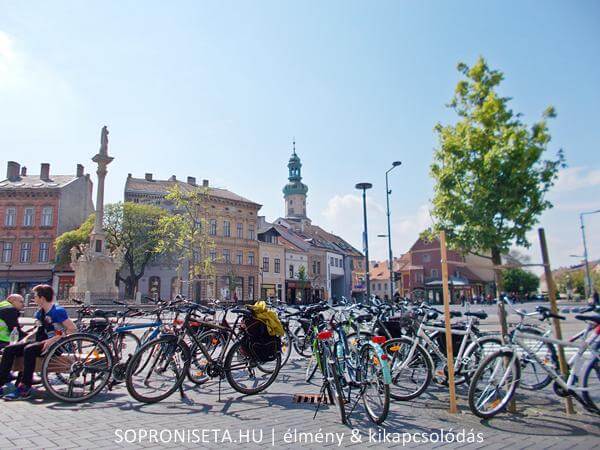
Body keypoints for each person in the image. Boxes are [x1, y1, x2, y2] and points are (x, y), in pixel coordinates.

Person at [0, 284, 76, 400]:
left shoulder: (57, 311)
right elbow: (38, 329)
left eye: (35, 296)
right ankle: (1, 381)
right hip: (42, 343)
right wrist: (26, 338)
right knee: (10, 349)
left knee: (29, 349)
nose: (33, 298)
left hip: (56, 345)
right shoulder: (40, 312)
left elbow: (72, 328)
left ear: (42, 298)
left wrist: (54, 338)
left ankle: (25, 387)